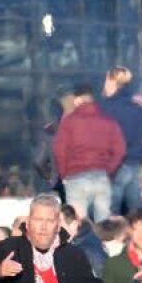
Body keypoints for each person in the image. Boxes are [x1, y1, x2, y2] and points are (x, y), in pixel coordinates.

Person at [100, 67, 142, 215]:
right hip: (136, 166)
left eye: (106, 81)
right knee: (135, 213)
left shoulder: (104, 109)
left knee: (112, 211)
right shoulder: (136, 109)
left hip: (114, 167)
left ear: (112, 82)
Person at [52, 83, 125, 221]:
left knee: (78, 225)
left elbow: (60, 150)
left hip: (75, 178)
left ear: (78, 99)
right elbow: (120, 149)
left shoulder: (69, 122)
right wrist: (109, 170)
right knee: (103, 223)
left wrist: (64, 174)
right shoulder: (108, 121)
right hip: (101, 176)